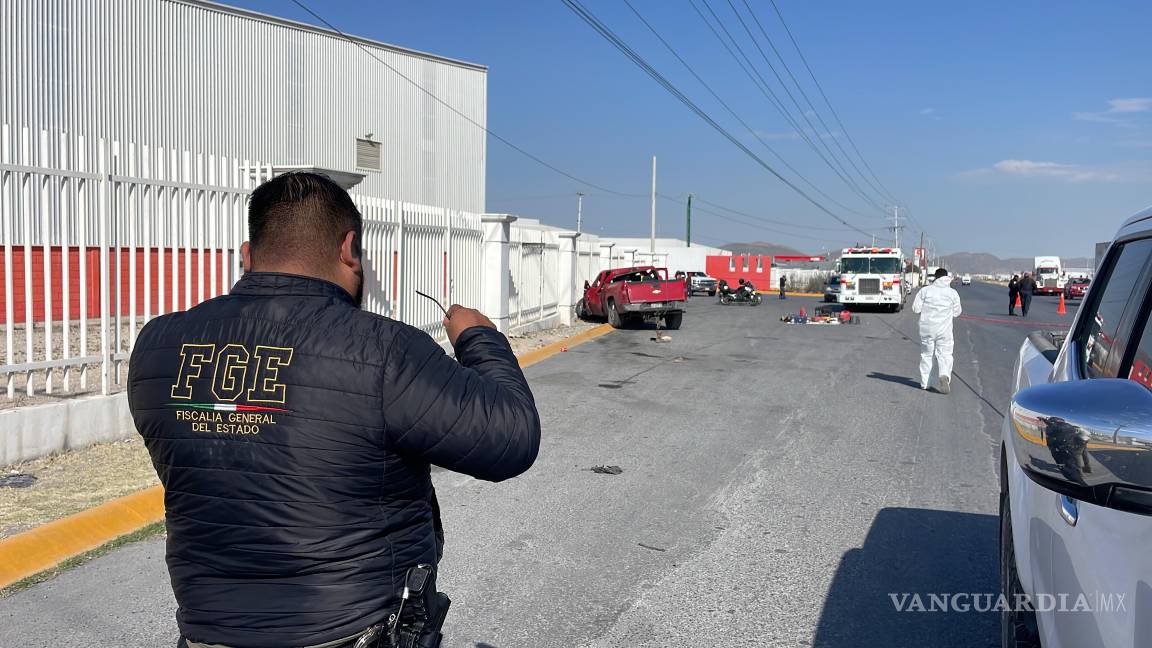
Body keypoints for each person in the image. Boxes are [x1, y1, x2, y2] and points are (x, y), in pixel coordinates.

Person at [127, 172, 541, 648]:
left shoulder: (158, 346)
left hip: (205, 635)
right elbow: (512, 438)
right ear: (348, 249)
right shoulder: (384, 350)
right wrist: (479, 338)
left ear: (247, 255)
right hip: (356, 632)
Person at [912, 267, 962, 393]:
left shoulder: (925, 291)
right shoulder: (952, 293)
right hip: (944, 330)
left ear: (935, 277)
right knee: (945, 354)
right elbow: (957, 312)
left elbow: (915, 309)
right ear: (946, 277)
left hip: (927, 329)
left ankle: (925, 383)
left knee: (927, 355)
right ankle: (944, 374)